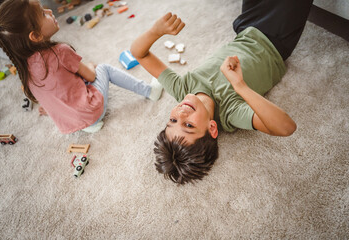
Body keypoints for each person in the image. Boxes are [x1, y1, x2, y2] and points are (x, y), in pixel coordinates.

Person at [130, 0, 313, 184]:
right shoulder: (230, 112)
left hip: (245, 27)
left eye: (173, 121)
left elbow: (139, 53)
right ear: (212, 128)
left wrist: (156, 31)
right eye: (189, 126)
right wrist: (239, 85)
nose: (181, 113)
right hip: (275, 39)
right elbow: (286, 127)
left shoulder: (182, 89)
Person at [0, 0, 163, 134]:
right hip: (90, 113)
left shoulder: (23, 67)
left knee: (69, 84)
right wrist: (90, 65)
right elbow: (90, 76)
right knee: (104, 69)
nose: (50, 12)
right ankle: (150, 91)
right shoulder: (60, 52)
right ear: (35, 36)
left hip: (68, 122)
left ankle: (87, 126)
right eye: (44, 14)